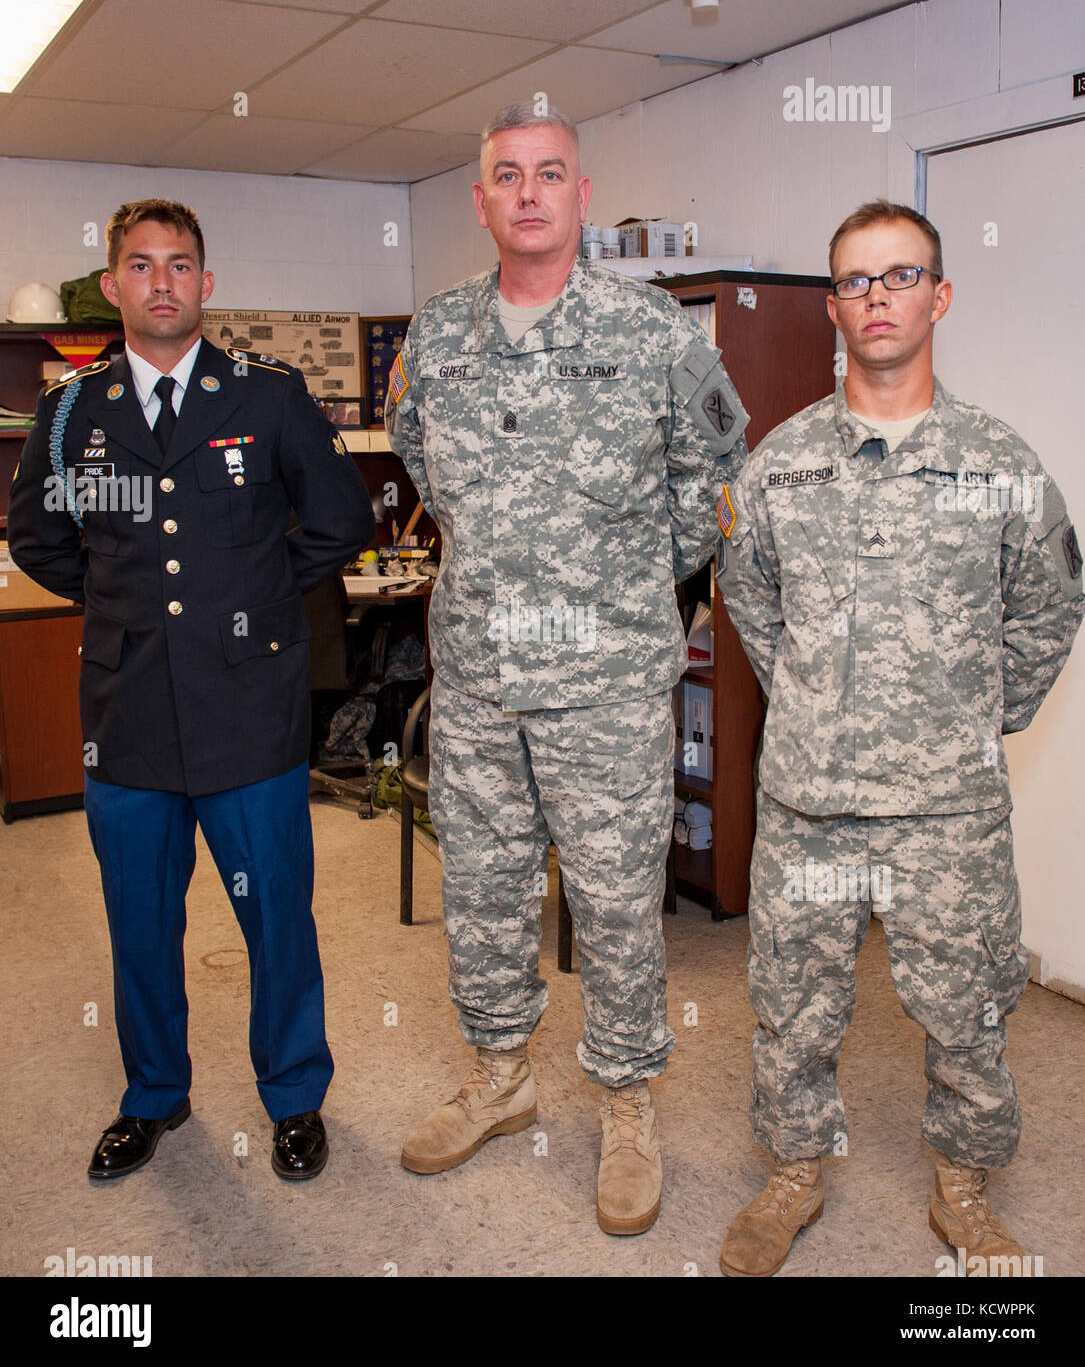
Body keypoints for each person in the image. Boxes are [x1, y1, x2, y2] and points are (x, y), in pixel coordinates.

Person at [385, 101, 748, 1235]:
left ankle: (627, 1104)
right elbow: (421, 470)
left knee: (615, 902)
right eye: (508, 174)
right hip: (482, 681)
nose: (530, 191)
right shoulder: (434, 338)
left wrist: (634, 590)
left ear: (581, 198)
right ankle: (502, 1074)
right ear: (482, 200)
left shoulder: (657, 339)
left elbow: (715, 481)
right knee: (482, 894)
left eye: (551, 173)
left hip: (605, 685)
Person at [716, 199, 1083, 1276]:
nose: (875, 297)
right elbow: (748, 600)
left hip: (945, 809)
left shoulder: (998, 461)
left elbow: (1050, 605)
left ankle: (960, 1185)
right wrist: (817, 703)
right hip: (810, 804)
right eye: (855, 280)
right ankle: (793, 1169)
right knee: (790, 1002)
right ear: (831, 307)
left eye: (898, 275)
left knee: (968, 1003)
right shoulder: (777, 468)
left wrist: (981, 715)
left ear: (938, 295)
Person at [8, 199, 373, 1181]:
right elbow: (39, 538)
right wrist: (125, 605)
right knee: (138, 921)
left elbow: (340, 523)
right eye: (141, 264)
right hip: (126, 715)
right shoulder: (73, 409)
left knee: (276, 917)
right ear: (116, 285)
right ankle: (153, 1095)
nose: (161, 281)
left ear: (206, 285)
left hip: (249, 711)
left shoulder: (268, 396)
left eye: (180, 264)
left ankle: (293, 1094)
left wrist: (246, 593)